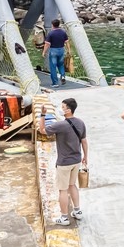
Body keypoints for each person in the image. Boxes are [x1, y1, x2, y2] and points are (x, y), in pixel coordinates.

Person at [37, 97, 88, 226]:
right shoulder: (80, 123)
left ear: (68, 110)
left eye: (63, 107)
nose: (61, 109)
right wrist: (85, 156)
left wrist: (43, 114)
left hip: (64, 162)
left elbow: (42, 130)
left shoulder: (60, 125)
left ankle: (64, 217)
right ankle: (77, 211)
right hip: (76, 160)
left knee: (63, 190)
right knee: (72, 185)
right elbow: (84, 141)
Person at [42, 19, 71, 87]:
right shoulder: (63, 32)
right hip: (61, 50)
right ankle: (63, 76)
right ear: (59, 24)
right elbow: (67, 42)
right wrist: (69, 50)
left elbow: (47, 44)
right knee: (61, 65)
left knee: (53, 67)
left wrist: (44, 52)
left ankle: (55, 83)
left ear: (52, 25)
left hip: (53, 51)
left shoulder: (51, 33)